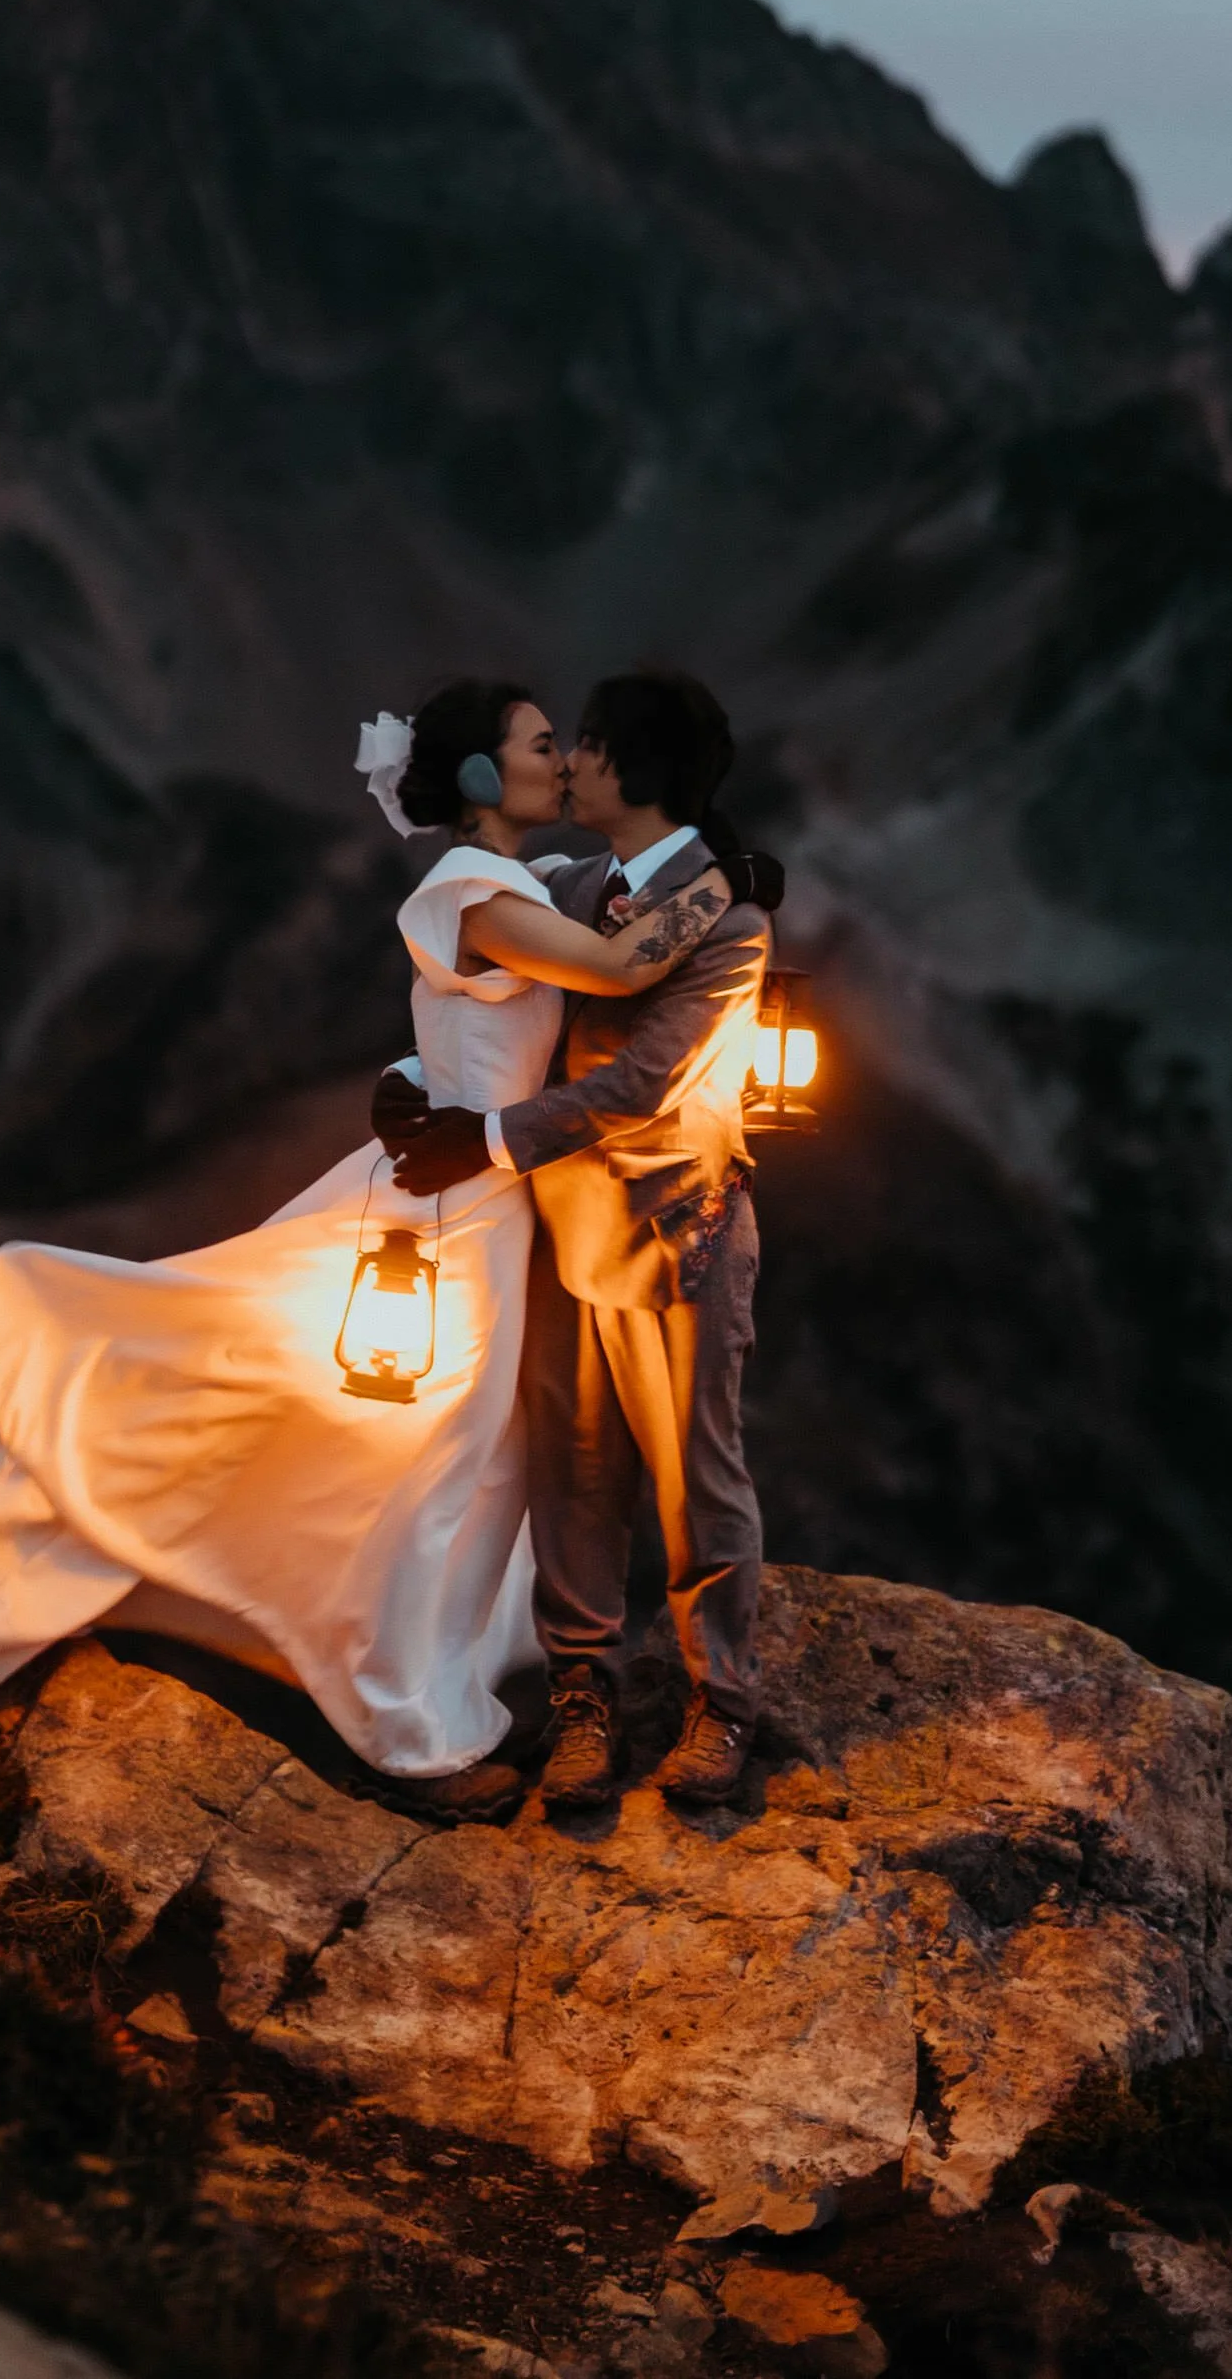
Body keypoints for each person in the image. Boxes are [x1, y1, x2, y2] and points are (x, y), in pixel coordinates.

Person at [0, 678, 732, 1840]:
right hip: (454, 1214)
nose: (561, 760)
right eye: (536, 743)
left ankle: (424, 1689)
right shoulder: (476, 887)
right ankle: (409, 1730)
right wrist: (722, 885)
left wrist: (414, 1084)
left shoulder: (514, 885)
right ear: (480, 778)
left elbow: (478, 1033)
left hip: (478, 1191)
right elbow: (622, 971)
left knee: (460, 1462)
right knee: (433, 1462)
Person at [388, 671, 772, 1809]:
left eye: (583, 746)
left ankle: (723, 1708)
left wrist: (489, 1137)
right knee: (572, 1471)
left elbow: (647, 1082)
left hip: (675, 1227)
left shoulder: (731, 918)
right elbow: (486, 1005)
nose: (568, 765)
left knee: (695, 1479)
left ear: (628, 767)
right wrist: (418, 1082)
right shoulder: (575, 882)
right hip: (557, 1220)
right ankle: (581, 1701)